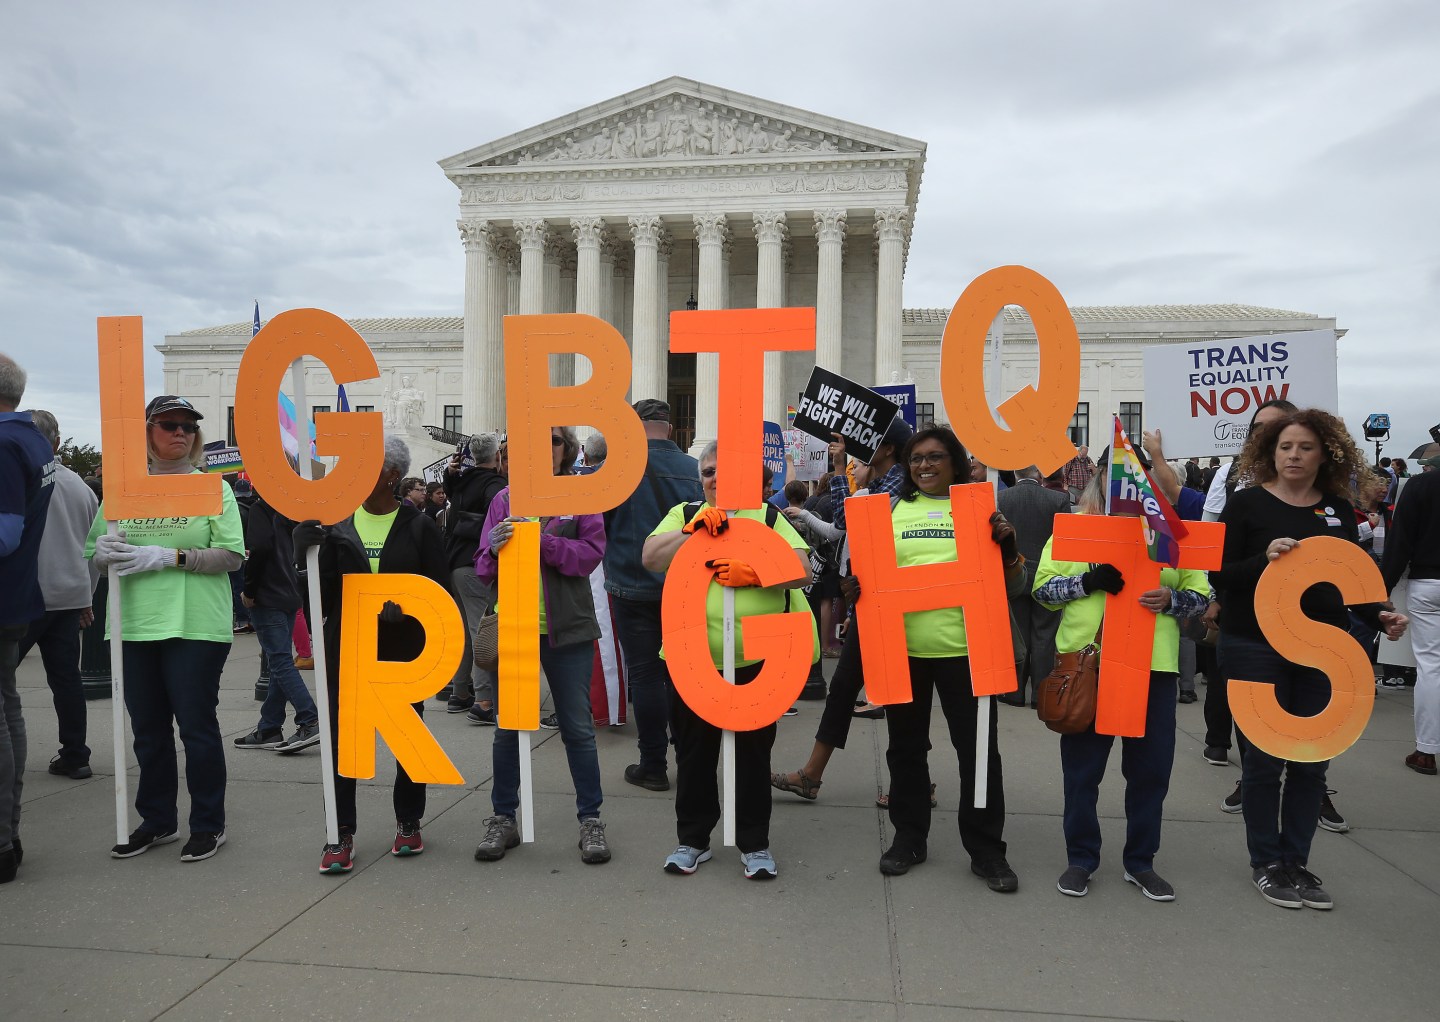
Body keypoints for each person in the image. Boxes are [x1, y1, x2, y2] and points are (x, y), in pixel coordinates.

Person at [1213, 409, 1407, 910]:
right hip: (1255, 644)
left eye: (1305, 447)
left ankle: (1296, 862)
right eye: (1285, 447)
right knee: (1263, 763)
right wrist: (1264, 560)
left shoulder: (1338, 508)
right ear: (1270, 452)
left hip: (1323, 650)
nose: (1294, 456)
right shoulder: (1246, 504)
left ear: (1326, 455)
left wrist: (1380, 613)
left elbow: (1349, 580)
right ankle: (1266, 863)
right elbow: (1220, 576)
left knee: (1311, 763)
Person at [642, 443, 816, 879]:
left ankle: (754, 843)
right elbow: (650, 558)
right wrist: (691, 534)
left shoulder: (768, 517)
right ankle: (692, 840)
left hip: (757, 660)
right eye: (708, 472)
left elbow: (802, 570)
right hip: (691, 658)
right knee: (694, 754)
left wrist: (755, 572)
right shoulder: (685, 514)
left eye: (725, 470)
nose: (715, 479)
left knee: (752, 755)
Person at [1035, 471, 1210, 900]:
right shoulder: (1074, 530)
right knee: (1082, 772)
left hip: (1152, 670)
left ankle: (1141, 862)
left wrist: (1172, 599)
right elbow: (1042, 591)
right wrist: (1085, 582)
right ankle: (1081, 859)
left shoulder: (1172, 535)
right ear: (1099, 485)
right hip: (1088, 669)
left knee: (1150, 772)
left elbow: (1202, 597)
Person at [88, 396, 244, 863]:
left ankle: (208, 824)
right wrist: (102, 555)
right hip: (135, 624)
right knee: (148, 731)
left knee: (196, 728)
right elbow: (96, 549)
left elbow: (232, 556)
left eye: (188, 426)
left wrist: (171, 556)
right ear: (147, 433)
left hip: (195, 625)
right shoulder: (122, 490)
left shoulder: (213, 488)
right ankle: (157, 819)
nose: (180, 432)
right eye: (169, 424)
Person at [869, 426, 1025, 892]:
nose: (924, 465)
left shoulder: (979, 511)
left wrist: (1009, 553)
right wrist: (856, 587)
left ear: (955, 462)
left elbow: (1015, 587)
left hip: (969, 652)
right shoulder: (890, 510)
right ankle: (909, 838)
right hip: (904, 651)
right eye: (916, 458)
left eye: (935, 456)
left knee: (978, 753)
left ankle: (986, 849)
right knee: (905, 749)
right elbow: (871, 577)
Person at [293, 435, 447, 873]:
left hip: (403, 653)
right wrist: (302, 555)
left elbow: (440, 593)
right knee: (344, 744)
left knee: (407, 739)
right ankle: (340, 832)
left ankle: (409, 820)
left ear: (392, 475)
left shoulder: (420, 526)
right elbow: (318, 600)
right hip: (348, 648)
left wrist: (409, 611)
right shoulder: (337, 526)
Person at [474, 425, 611, 865]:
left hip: (567, 629)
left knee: (577, 728)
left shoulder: (580, 495)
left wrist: (542, 541)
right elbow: (482, 567)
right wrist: (494, 549)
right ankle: (503, 817)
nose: (543, 447)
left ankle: (590, 819)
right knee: (508, 728)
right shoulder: (504, 499)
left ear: (565, 449)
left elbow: (590, 554)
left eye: (553, 439)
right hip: (514, 627)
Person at [770, 417, 912, 801]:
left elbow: (846, 520)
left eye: (870, 444)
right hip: (870, 602)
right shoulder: (880, 485)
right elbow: (845, 525)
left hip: (891, 606)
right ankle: (812, 775)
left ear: (888, 450)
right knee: (847, 689)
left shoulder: (898, 486)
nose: (859, 453)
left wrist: (838, 472)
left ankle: (912, 783)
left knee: (894, 698)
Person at [603, 399, 703, 792]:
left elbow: (600, 524)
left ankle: (653, 764)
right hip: (686, 586)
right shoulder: (696, 470)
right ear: (670, 427)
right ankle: (691, 760)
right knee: (684, 676)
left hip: (632, 585)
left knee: (645, 676)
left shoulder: (619, 469)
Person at [18, 410, 99, 780]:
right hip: (69, 596)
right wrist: (86, 596)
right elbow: (93, 549)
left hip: (26, 595)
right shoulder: (80, 488)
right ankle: (75, 753)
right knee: (66, 680)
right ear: (57, 442)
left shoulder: (20, 479)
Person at [0, 356, 57, 883]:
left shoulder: (4, 443)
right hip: (17, 597)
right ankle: (8, 833)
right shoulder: (33, 439)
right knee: (9, 709)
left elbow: (5, 535)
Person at [233, 489, 320, 754]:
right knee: (278, 662)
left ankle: (310, 718)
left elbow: (259, 548)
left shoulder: (262, 509)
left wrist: (249, 591)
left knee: (280, 662)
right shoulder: (288, 511)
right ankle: (269, 727)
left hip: (268, 594)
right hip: (288, 592)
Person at [1380, 451, 1439, 775]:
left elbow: (1400, 541)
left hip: (1429, 582)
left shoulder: (1420, 486)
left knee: (1431, 666)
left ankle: (1426, 750)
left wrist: (1382, 591)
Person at [441, 433, 507, 718]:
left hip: (455, 562)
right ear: (497, 456)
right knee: (482, 630)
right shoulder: (494, 485)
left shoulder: (462, 480)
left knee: (467, 631)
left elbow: (449, 490)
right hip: (474, 564)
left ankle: (460, 692)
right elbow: (500, 516)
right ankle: (484, 699)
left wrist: (449, 473)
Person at [997, 465, 1070, 707]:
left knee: (1017, 634)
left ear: (1015, 473)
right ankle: (1041, 694)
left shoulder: (1001, 498)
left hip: (1014, 574)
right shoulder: (1058, 500)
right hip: (1048, 576)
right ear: (1039, 473)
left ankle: (1014, 692)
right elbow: (1064, 541)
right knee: (1045, 637)